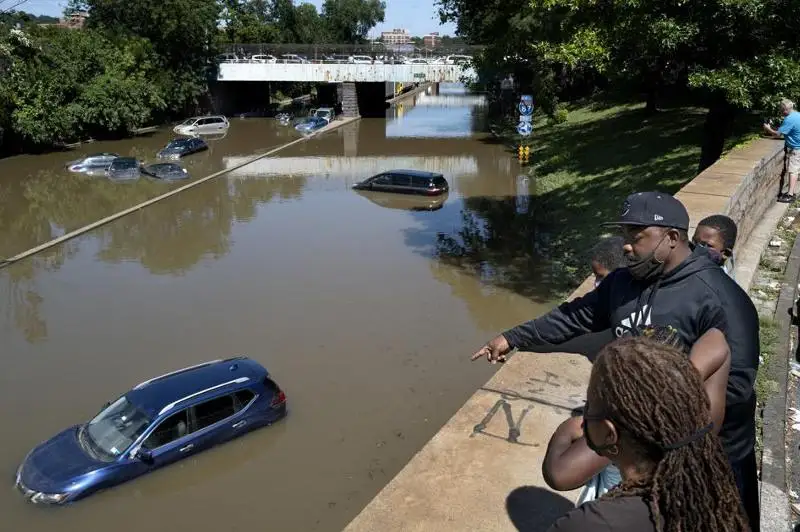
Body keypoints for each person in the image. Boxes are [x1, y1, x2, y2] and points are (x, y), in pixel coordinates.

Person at [472, 191, 760, 530]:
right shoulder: (623, 282)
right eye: (624, 235)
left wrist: (655, 411)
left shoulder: (720, 298)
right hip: (638, 449)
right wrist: (513, 337)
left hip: (712, 452)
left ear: (671, 237)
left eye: (635, 236)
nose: (625, 245)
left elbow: (737, 385)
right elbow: (574, 317)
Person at [546, 337, 750, 532]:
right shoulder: (712, 491)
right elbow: (719, 342)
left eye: (588, 406)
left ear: (609, 434)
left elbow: (558, 474)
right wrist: (674, 388)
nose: (585, 413)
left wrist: (565, 429)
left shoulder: (587, 524)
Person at [763, 98, 800, 203]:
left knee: (793, 170)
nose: (781, 113)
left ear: (785, 110)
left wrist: (767, 128)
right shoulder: (798, 115)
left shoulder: (789, 119)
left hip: (796, 148)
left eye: (781, 110)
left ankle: (790, 195)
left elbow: (777, 134)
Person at [693, 215, 738, 279]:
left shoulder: (719, 284)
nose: (697, 249)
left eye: (707, 246)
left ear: (725, 254)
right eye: (694, 241)